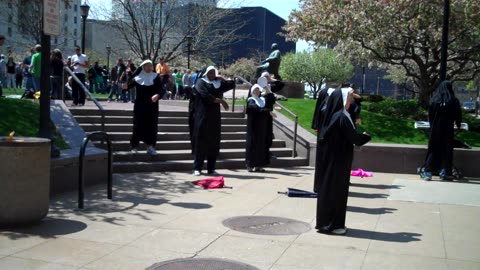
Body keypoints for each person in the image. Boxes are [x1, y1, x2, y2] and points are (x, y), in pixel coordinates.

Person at [315, 88, 371, 235]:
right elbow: (353, 138)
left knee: (333, 190)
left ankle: (329, 223)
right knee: (335, 191)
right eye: (349, 98)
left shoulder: (338, 115)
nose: (352, 100)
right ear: (342, 100)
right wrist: (365, 137)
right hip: (338, 161)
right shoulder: (341, 116)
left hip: (336, 159)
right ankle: (331, 225)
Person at [189, 66, 234, 176]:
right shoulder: (201, 82)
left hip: (214, 117)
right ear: (206, 73)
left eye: (214, 73)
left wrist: (222, 78)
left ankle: (211, 168)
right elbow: (205, 95)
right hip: (202, 115)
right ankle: (197, 168)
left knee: (213, 141)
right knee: (201, 141)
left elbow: (232, 84)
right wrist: (221, 101)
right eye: (210, 73)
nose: (212, 75)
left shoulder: (217, 83)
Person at [420, 81, 462, 181]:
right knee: (446, 151)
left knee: (433, 150)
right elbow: (458, 115)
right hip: (447, 130)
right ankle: (445, 172)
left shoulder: (434, 100)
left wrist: (431, 125)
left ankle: (428, 172)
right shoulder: (453, 100)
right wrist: (458, 124)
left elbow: (430, 115)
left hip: (435, 130)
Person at [128, 60, 165, 155]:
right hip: (139, 106)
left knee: (152, 126)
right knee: (138, 125)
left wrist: (158, 95)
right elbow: (126, 86)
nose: (149, 68)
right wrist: (128, 78)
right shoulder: (137, 78)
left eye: (150, 66)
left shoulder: (155, 77)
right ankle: (134, 146)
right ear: (143, 67)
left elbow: (161, 89)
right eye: (147, 66)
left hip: (152, 106)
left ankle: (151, 146)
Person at [245, 84, 276, 172]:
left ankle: (259, 165)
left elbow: (272, 100)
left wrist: (268, 90)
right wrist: (267, 111)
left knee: (261, 145)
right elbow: (254, 108)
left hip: (263, 127)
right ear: (252, 91)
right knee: (252, 145)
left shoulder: (262, 99)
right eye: (255, 90)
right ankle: (250, 165)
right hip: (253, 127)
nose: (257, 91)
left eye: (258, 90)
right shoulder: (251, 100)